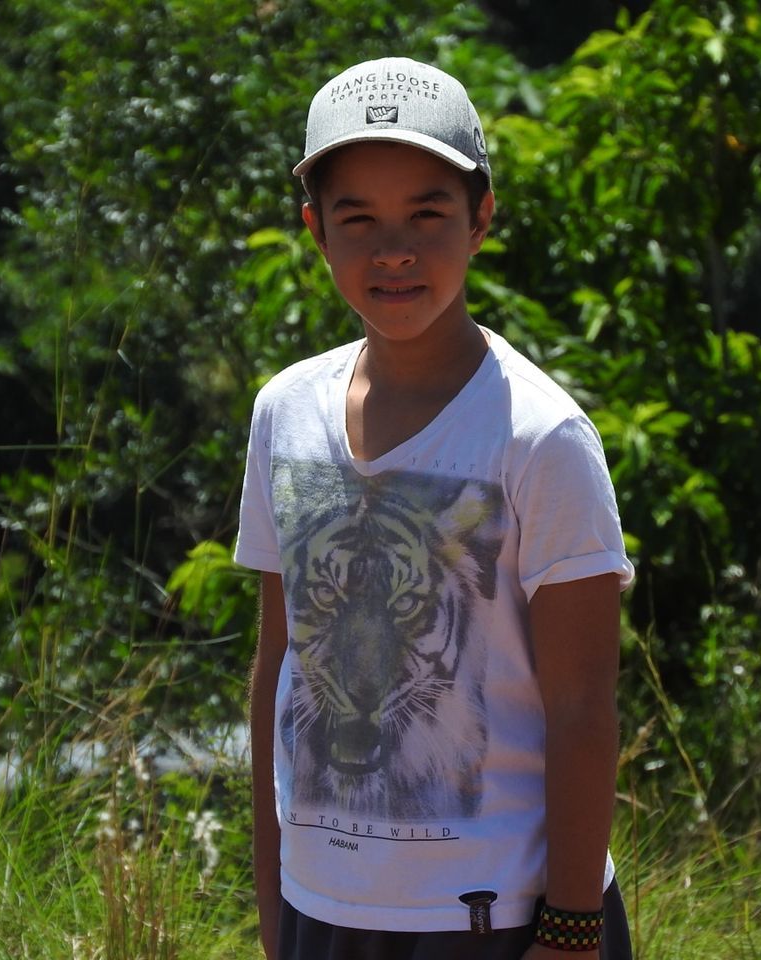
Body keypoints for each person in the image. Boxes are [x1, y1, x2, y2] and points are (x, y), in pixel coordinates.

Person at [235, 56, 635, 960]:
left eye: (427, 213)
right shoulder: (283, 413)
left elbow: (582, 705)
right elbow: (278, 666)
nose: (394, 251)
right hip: (323, 909)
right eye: (357, 218)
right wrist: (274, 899)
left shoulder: (540, 436)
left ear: (482, 218)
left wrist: (570, 930)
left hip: (501, 917)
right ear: (314, 230)